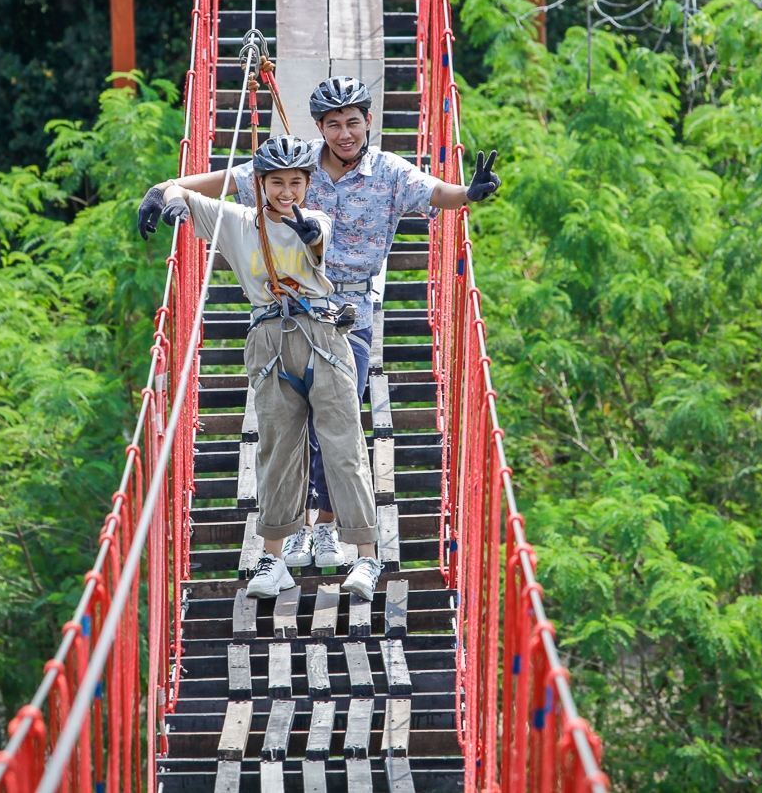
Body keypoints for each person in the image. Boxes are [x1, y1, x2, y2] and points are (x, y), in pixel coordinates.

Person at [138, 76, 501, 571]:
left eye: (353, 122)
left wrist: (469, 193)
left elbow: (436, 192)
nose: (345, 133)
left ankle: (327, 525)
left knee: (339, 421)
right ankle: (292, 534)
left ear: (369, 121)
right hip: (285, 311)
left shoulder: (389, 172)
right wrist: (166, 188)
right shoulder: (296, 165)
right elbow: (233, 181)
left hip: (349, 310)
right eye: (334, 124)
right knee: (288, 427)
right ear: (320, 127)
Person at [146, 134, 384, 601]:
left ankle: (367, 558)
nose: (287, 192)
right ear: (259, 183)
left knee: (343, 445)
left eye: (296, 182)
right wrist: (164, 200)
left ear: (307, 184)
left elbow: (316, 242)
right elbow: (175, 188)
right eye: (277, 182)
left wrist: (309, 235)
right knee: (276, 451)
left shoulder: (315, 219)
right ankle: (273, 560)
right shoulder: (234, 221)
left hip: (323, 337)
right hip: (269, 339)